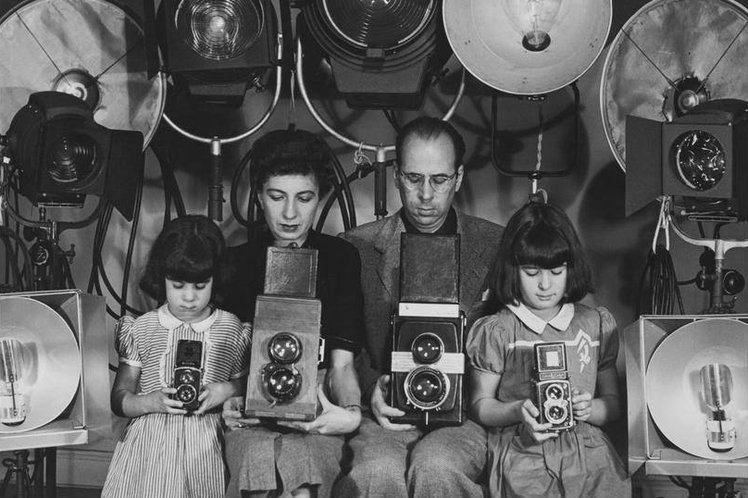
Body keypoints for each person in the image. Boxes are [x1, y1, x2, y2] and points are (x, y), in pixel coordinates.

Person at [336, 116, 504, 498]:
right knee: (375, 471)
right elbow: (343, 347)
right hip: (386, 413)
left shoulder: (497, 245)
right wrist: (370, 390)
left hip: (465, 416)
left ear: (458, 178)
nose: (426, 194)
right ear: (396, 175)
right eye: (414, 178)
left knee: (438, 467)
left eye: (439, 180)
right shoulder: (354, 248)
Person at [221, 128, 366, 498]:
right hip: (252, 417)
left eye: (304, 198)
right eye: (276, 197)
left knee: (305, 481)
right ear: (258, 195)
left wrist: (350, 412)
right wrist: (229, 401)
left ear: (321, 198)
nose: (289, 213)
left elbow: (342, 365)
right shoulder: (235, 264)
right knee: (256, 465)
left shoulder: (341, 259)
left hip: (316, 410)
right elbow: (226, 364)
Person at [466, 201, 630, 497]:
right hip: (523, 453)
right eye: (531, 272)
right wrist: (517, 410)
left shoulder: (595, 324)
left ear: (571, 268)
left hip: (590, 456)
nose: (545, 284)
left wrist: (589, 409)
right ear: (512, 269)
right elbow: (480, 406)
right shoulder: (499, 329)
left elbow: (613, 405)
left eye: (556, 271)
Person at [102, 215, 252, 498]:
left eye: (200, 286)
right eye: (178, 285)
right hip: (150, 449)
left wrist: (227, 390)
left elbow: (250, 389)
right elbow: (120, 398)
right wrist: (149, 401)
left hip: (208, 448)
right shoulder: (142, 328)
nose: (189, 297)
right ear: (162, 278)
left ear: (216, 279)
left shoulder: (231, 329)